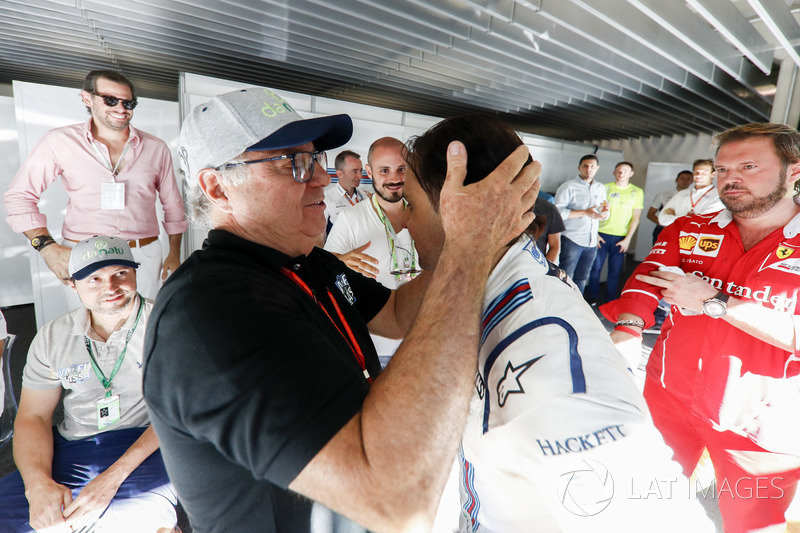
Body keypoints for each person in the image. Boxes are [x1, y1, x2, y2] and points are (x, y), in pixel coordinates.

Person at [140, 86, 537, 532]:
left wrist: (479, 239)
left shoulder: (307, 261)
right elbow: (397, 500)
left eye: (316, 160)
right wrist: (468, 251)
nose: (322, 179)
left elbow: (398, 312)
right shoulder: (207, 312)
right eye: (294, 163)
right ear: (217, 186)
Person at [403, 114, 713, 532]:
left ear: (462, 207)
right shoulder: (493, 289)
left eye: (411, 204)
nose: (404, 221)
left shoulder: (545, 359)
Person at [602, 123, 800, 533]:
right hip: (666, 398)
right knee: (638, 501)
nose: (732, 179)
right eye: (723, 169)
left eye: (748, 166)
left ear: (794, 170)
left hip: (759, 426)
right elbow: (649, 275)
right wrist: (628, 326)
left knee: (751, 524)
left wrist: (716, 304)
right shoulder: (691, 227)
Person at [0, 236, 177, 532]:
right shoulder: (52, 336)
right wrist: (38, 484)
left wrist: (112, 478)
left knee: (135, 522)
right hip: (74, 446)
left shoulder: (170, 324)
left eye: (121, 273)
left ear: (135, 273)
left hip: (149, 442)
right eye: (94, 278)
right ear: (72, 284)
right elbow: (34, 417)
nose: (111, 287)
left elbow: (177, 416)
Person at [3, 70, 188, 301]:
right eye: (111, 100)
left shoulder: (156, 147)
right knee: (87, 327)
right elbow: (19, 197)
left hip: (144, 254)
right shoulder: (59, 141)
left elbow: (172, 203)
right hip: (84, 252)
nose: (121, 109)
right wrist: (47, 248)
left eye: (129, 103)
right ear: (87, 98)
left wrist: (174, 253)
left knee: (142, 324)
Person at [325, 137, 419, 367]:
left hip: (422, 342)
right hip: (375, 347)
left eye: (401, 169)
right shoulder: (350, 218)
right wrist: (339, 262)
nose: (395, 179)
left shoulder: (427, 217)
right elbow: (323, 273)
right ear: (369, 171)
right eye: (384, 170)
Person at [586, 162, 644, 304]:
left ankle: (610, 300)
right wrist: (596, 234)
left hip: (621, 237)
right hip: (601, 234)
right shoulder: (604, 188)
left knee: (615, 271)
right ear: (614, 172)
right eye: (618, 170)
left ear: (631, 174)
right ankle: (592, 297)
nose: (621, 173)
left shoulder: (636, 192)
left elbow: (636, 217)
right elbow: (593, 211)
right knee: (595, 268)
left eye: (625, 171)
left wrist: (628, 239)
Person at [554, 154, 610, 293]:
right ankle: (561, 308)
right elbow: (558, 213)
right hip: (572, 239)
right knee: (565, 276)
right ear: (579, 168)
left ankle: (576, 307)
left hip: (591, 242)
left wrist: (604, 214)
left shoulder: (600, 188)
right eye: (585, 166)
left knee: (582, 277)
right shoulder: (568, 186)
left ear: (597, 168)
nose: (588, 169)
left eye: (592, 166)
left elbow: (602, 213)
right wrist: (585, 212)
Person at [657, 159, 724, 227]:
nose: (698, 176)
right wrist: (693, 219)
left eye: (703, 173)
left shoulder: (719, 195)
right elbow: (662, 219)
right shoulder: (681, 194)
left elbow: (704, 222)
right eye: (696, 172)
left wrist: (675, 218)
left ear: (713, 174)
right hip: (677, 236)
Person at [323, 149, 369, 233]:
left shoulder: (365, 197)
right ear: (339, 174)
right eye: (355, 171)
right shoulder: (326, 199)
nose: (360, 176)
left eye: (361, 171)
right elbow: (320, 236)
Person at [648, 169, 693, 244]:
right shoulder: (663, 195)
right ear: (676, 180)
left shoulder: (694, 197)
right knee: (658, 254)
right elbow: (650, 214)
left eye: (688, 179)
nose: (685, 181)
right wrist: (663, 224)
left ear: (692, 181)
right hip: (663, 229)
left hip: (683, 231)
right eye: (682, 178)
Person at [532, 196, 565, 263]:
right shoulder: (507, 204)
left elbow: (554, 246)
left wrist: (544, 270)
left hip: (534, 265)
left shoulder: (548, 209)